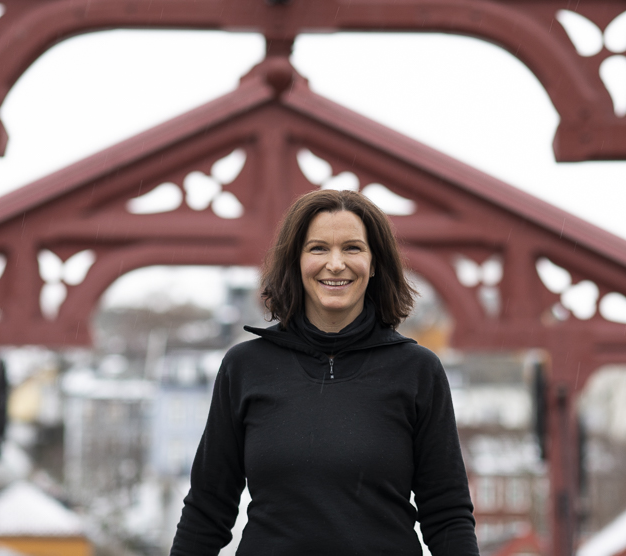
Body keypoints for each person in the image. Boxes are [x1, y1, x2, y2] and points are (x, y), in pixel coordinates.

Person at [170, 189, 479, 555]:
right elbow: (208, 509)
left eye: (352, 248)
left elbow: (447, 514)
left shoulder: (417, 371)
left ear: (374, 263)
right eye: (318, 248)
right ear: (296, 261)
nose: (335, 264)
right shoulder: (244, 367)